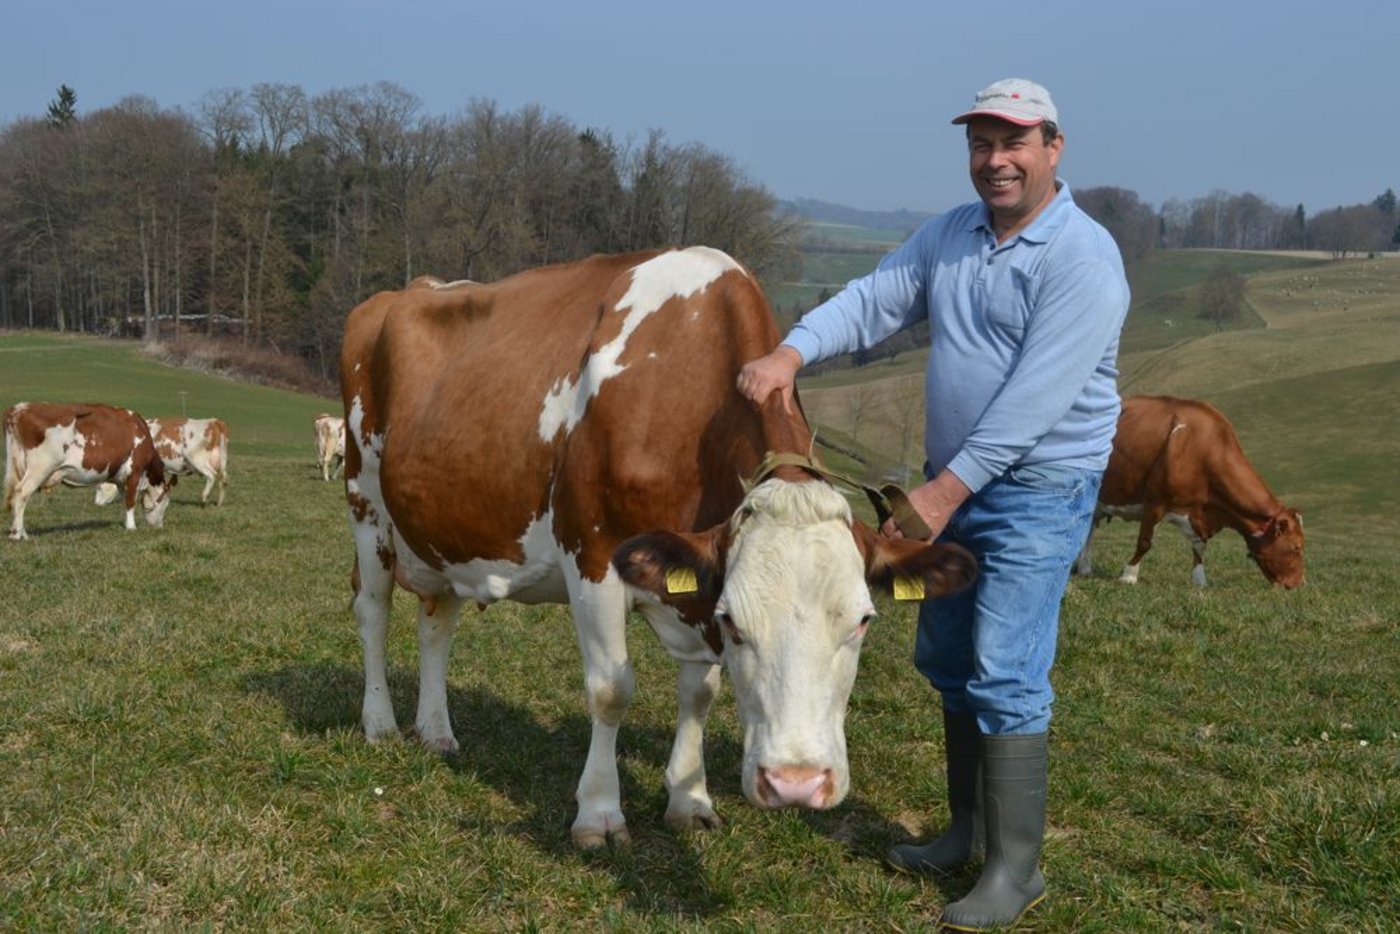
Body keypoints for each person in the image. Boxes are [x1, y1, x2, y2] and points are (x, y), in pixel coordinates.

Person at [738, 78, 1130, 930]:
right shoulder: (952, 236)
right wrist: (791, 353)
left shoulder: (1082, 257)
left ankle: (1015, 871)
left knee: (1005, 673)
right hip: (952, 488)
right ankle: (964, 830)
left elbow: (1037, 400)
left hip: (1036, 491)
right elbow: (875, 300)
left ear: (1053, 150)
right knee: (949, 663)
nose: (996, 161)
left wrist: (942, 495)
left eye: (1015, 143)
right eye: (982, 144)